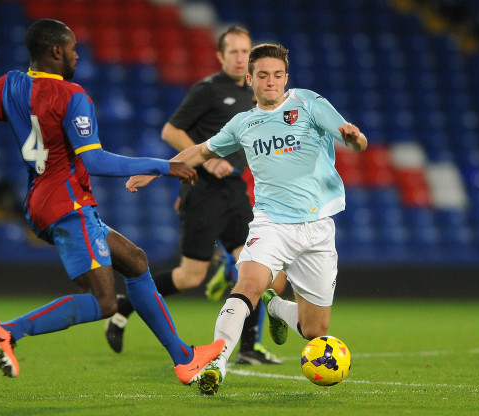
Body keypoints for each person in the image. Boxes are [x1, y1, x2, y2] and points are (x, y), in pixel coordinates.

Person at [0, 18, 224, 384]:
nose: (76, 54)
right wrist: (164, 165)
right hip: (68, 204)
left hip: (41, 202)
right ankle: (8, 330)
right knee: (104, 302)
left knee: (135, 261)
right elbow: (96, 161)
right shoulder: (73, 96)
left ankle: (184, 358)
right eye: (72, 48)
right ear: (56, 51)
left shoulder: (7, 85)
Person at [125, 43, 368, 395]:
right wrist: (158, 169)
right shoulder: (243, 123)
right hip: (271, 224)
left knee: (315, 330)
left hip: (318, 228)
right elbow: (200, 151)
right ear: (250, 79)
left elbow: (354, 141)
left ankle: (277, 307)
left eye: (278, 76)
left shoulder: (308, 104)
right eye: (264, 76)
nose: (271, 82)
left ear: (287, 78)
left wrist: (355, 139)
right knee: (248, 286)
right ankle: (215, 363)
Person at [104, 26, 282, 365]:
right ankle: (124, 306)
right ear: (220, 56)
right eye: (234, 52)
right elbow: (171, 130)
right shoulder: (208, 90)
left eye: (246, 51)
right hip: (203, 192)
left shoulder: (254, 91)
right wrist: (203, 165)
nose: (241, 57)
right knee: (190, 276)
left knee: (257, 265)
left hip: (235, 192)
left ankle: (247, 347)